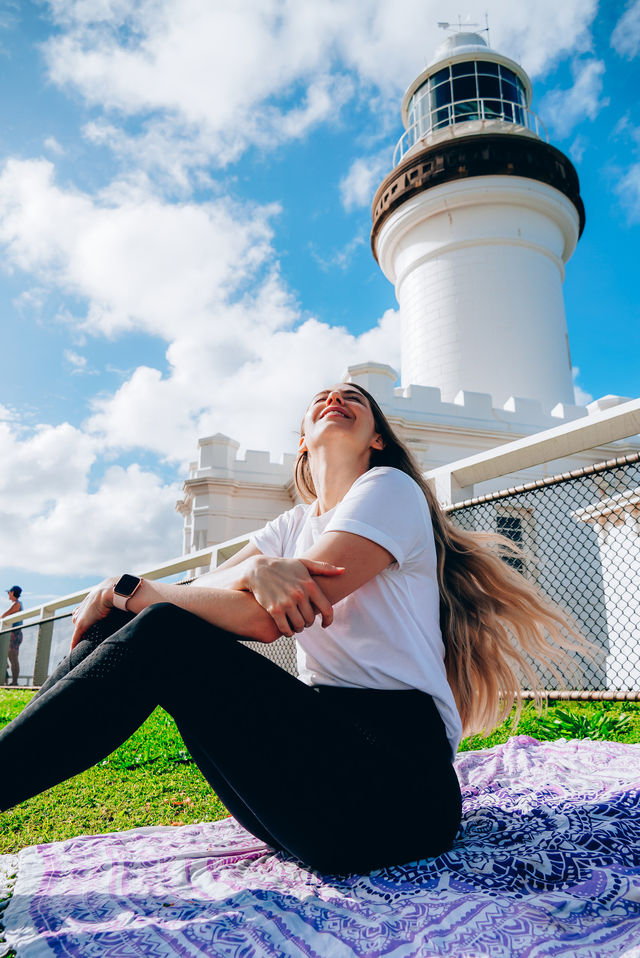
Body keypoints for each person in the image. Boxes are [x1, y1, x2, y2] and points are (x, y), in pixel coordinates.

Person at [0, 384, 583, 873]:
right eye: (321, 398)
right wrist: (251, 567)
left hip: (398, 791)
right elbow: (205, 595)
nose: (335, 398)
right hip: (316, 780)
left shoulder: (389, 490)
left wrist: (132, 589)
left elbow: (258, 618)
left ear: (377, 437)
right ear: (303, 441)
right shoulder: (295, 523)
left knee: (157, 628)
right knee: (141, 621)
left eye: (354, 398)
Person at [2, 586, 23, 686]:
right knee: (9, 657)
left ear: (12, 592)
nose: (8, 595)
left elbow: (4, 615)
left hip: (14, 634)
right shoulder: (16, 604)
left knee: (13, 657)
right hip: (11, 634)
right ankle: (9, 679)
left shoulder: (16, 604)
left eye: (9, 593)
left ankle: (14, 682)